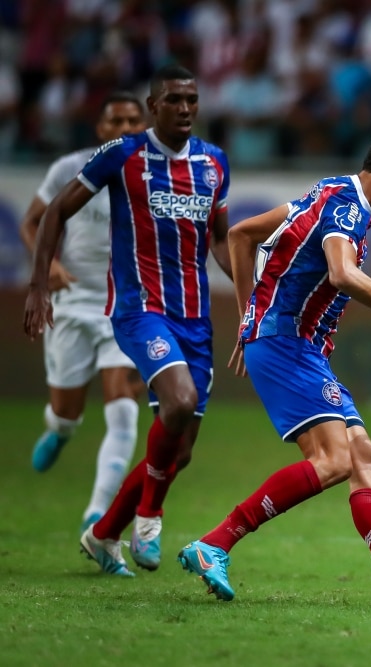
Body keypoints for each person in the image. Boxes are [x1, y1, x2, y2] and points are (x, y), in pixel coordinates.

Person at [176, 130, 371, 608]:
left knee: (367, 462)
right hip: (287, 345)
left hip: (295, 346)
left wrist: (246, 319)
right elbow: (342, 273)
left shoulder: (325, 190)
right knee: (335, 462)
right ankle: (214, 543)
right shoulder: (349, 208)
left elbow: (241, 235)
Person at [23, 64, 233, 577]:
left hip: (194, 316)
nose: (185, 108)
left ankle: (101, 534)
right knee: (177, 402)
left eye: (192, 100)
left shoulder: (214, 162)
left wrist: (251, 295)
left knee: (178, 452)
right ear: (154, 105)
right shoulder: (124, 155)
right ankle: (149, 515)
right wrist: (38, 283)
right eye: (174, 100)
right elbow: (54, 213)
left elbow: (221, 239)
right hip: (139, 309)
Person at [19, 91, 146, 535]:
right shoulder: (67, 168)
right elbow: (33, 221)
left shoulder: (156, 174)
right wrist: (48, 264)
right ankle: (60, 428)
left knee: (123, 404)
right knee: (67, 410)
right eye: (117, 121)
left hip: (127, 306)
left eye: (135, 120)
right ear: (101, 129)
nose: (127, 129)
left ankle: (98, 513)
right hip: (74, 302)